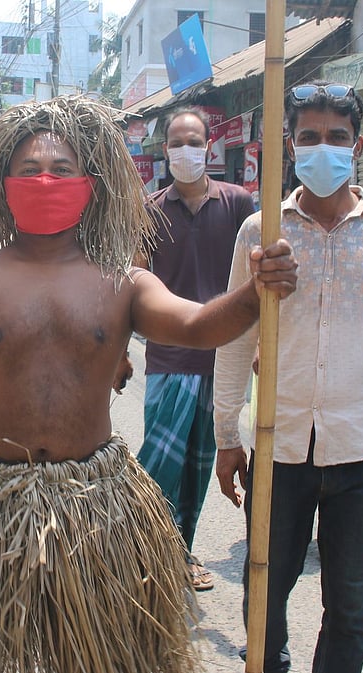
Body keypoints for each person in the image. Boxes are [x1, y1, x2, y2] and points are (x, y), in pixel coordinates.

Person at [0, 95, 299, 673]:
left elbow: (197, 326)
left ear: (89, 185)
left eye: (61, 170)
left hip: (96, 505)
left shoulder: (122, 283)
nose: (45, 180)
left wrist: (252, 293)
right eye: (30, 170)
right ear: (4, 186)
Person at [212, 81, 363, 673]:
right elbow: (236, 339)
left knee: (350, 607)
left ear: (357, 146)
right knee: (263, 593)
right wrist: (227, 436)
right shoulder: (261, 233)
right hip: (279, 448)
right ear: (291, 146)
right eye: (309, 137)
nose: (323, 148)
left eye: (336, 137)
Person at [134, 106, 257, 592]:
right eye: (176, 142)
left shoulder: (239, 204)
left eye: (194, 141)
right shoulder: (149, 211)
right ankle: (142, 550)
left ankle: (179, 552)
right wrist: (118, 350)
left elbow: (255, 280)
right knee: (158, 463)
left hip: (223, 358)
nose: (185, 150)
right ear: (164, 150)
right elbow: (133, 278)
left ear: (209, 146)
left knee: (199, 465)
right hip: (167, 355)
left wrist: (259, 345)